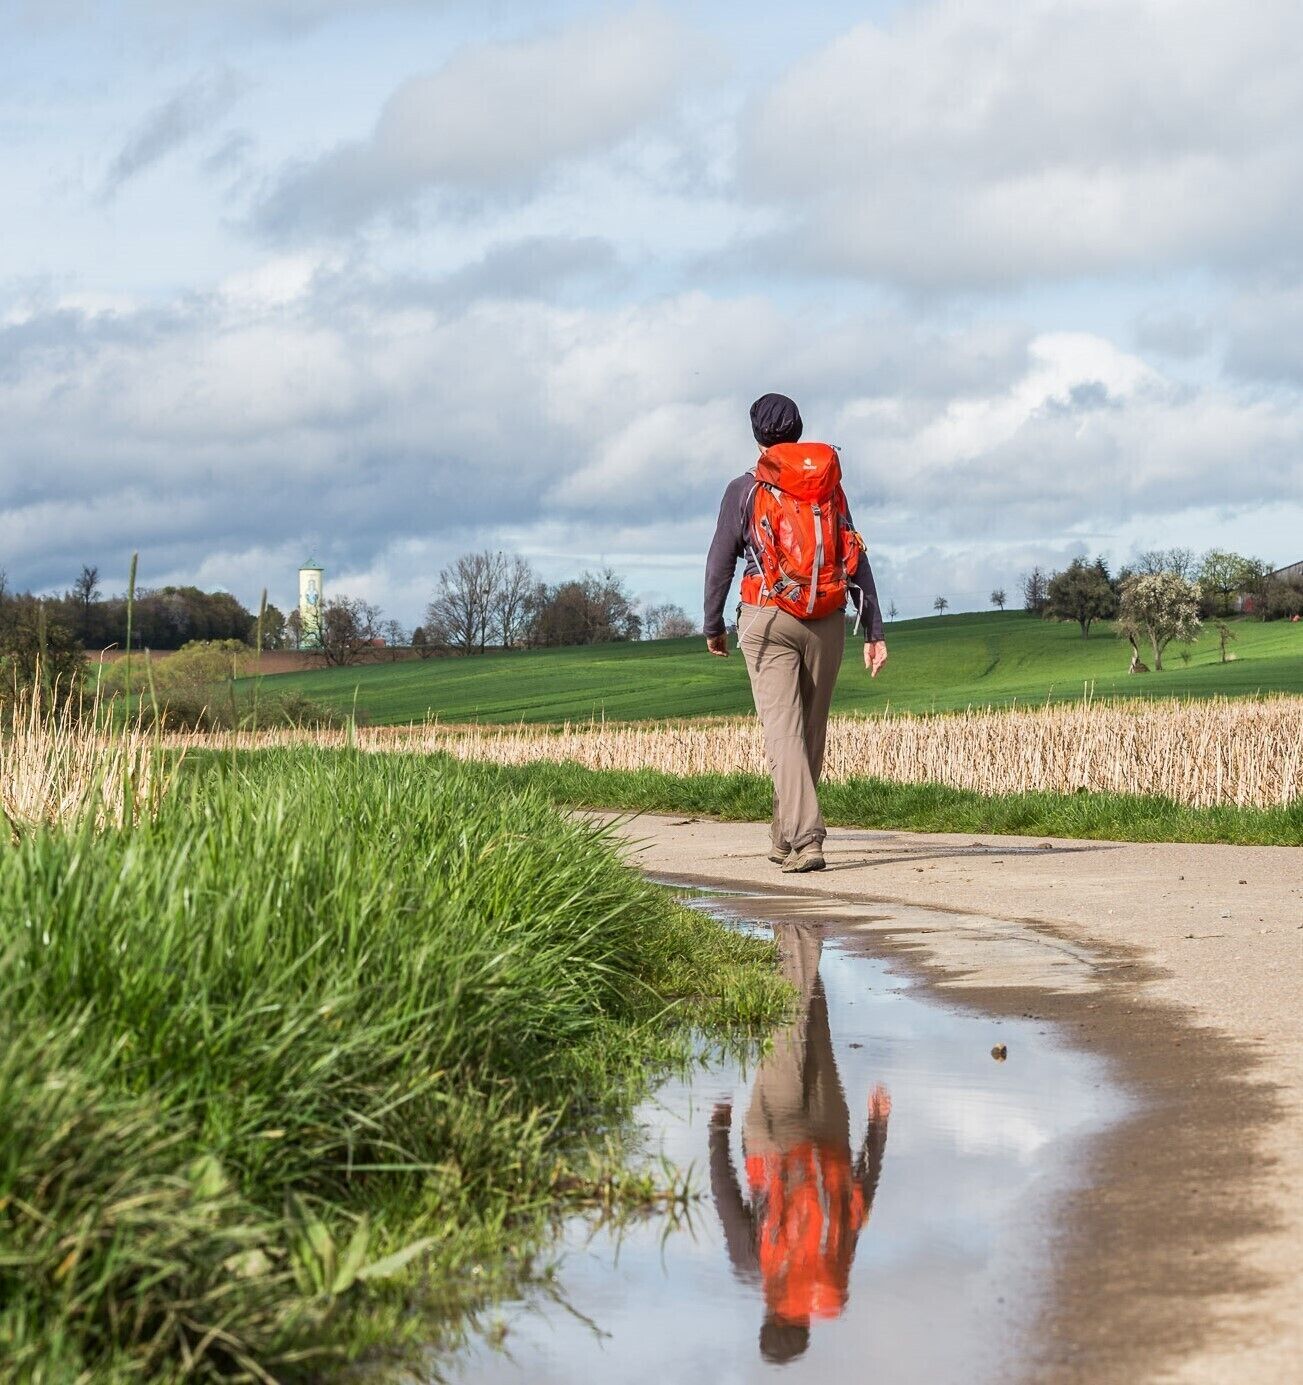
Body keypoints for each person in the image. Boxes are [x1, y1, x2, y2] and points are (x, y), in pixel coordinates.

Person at [704, 392, 887, 873]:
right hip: (827, 617)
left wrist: (712, 624)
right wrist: (873, 628)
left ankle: (807, 839)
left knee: (782, 733)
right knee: (810, 731)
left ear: (758, 435)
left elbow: (721, 559)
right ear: (799, 429)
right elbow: (855, 552)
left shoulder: (744, 489)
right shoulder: (829, 488)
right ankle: (784, 835)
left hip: (766, 617)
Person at [709, 921, 891, 1364]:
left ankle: (796, 934)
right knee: (790, 1025)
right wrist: (717, 1132)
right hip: (772, 1140)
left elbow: (858, 1203)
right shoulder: (757, 1268)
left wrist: (877, 1129)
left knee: (815, 1029)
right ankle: (800, 930)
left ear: (806, 1323)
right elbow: (726, 1196)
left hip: (830, 1140)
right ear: (768, 1317)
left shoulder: (833, 1278)